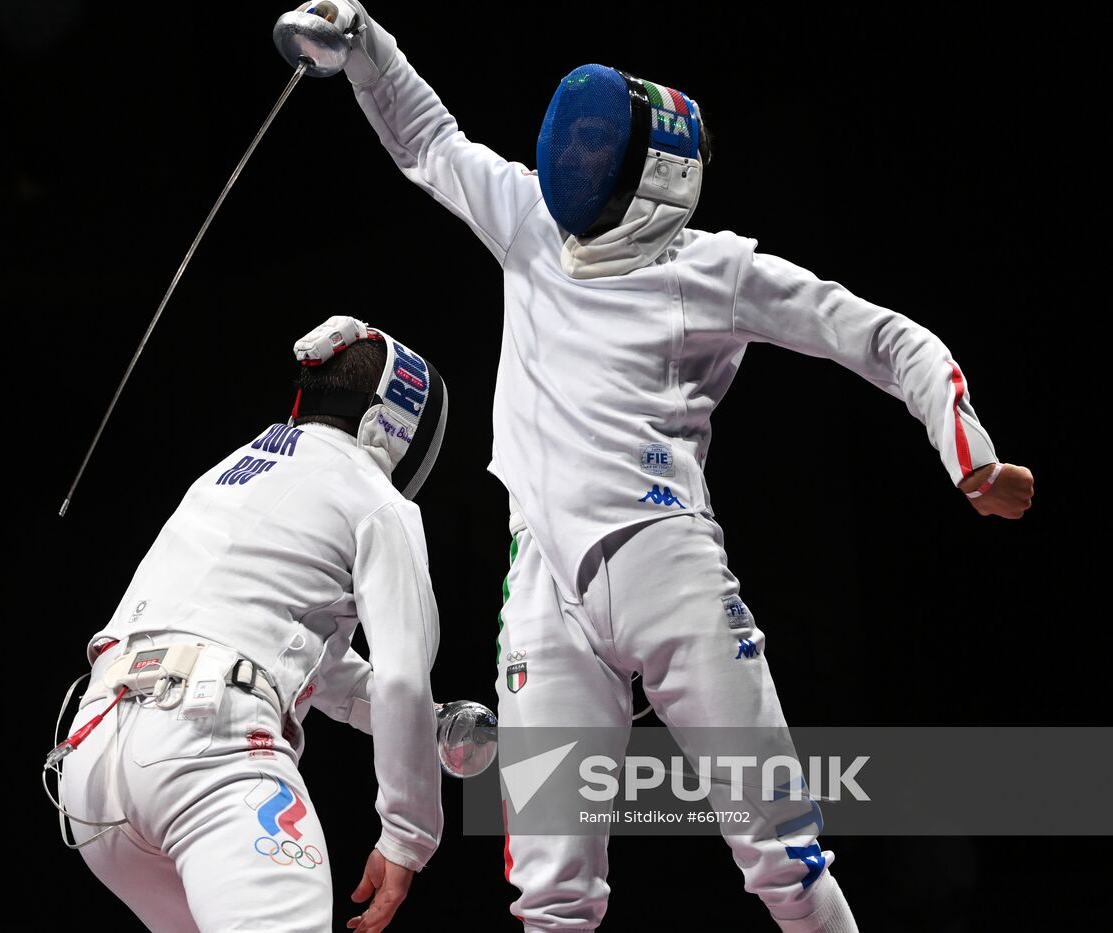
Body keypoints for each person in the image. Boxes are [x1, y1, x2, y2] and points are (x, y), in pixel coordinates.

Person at [295, 3, 1037, 931]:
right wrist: (364, 42)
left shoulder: (715, 270)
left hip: (668, 568)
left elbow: (882, 337)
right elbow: (426, 138)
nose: (574, 163)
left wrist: (967, 447)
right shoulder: (527, 217)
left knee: (784, 854)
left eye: (594, 148)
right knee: (550, 892)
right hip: (544, 588)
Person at [52, 315, 449, 932]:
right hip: (204, 748)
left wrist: (432, 727)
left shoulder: (233, 470)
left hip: (92, 760)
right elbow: (404, 680)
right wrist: (407, 835)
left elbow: (312, 665)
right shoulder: (376, 497)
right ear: (395, 425)